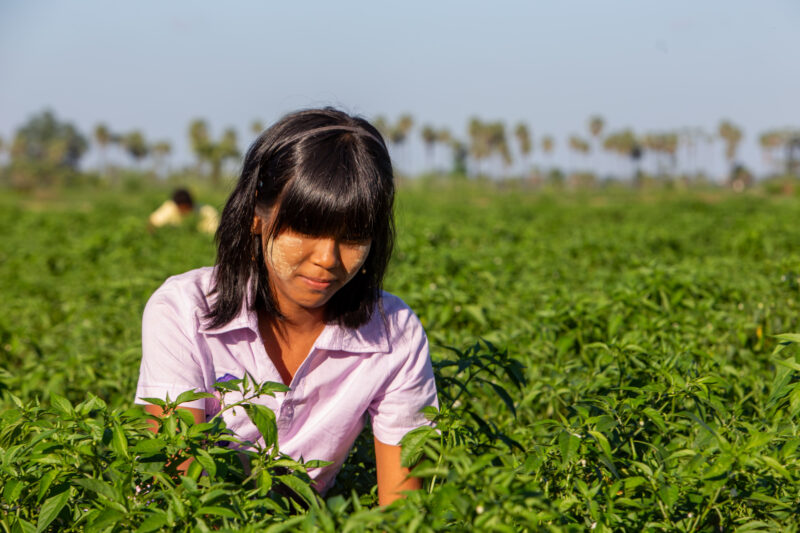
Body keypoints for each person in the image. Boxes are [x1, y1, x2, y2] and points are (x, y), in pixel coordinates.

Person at [135, 108, 438, 505]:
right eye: (306, 228)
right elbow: (179, 499)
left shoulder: (393, 334)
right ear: (257, 215)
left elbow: (401, 514)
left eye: (353, 236)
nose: (327, 259)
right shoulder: (184, 311)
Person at [148, 188, 220, 235]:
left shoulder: (206, 212)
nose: (184, 212)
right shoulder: (170, 209)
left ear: (191, 204)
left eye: (186, 209)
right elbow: (152, 223)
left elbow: (215, 233)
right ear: (176, 205)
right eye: (181, 209)